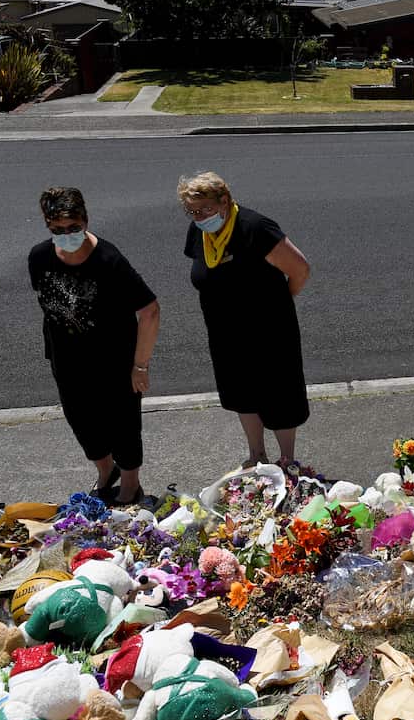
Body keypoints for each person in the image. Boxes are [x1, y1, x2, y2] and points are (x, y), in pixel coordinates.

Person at [29, 187, 160, 505]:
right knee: (82, 421)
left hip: (114, 359)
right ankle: (106, 470)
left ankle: (130, 484)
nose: (66, 235)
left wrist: (140, 365)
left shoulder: (108, 260)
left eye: (73, 228)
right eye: (58, 230)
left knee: (123, 424)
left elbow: (150, 310)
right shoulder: (39, 257)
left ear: (85, 221)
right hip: (68, 359)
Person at [178, 171, 312, 470]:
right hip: (225, 331)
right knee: (241, 393)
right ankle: (256, 456)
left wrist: (279, 304)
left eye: (205, 209)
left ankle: (287, 460)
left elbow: (300, 269)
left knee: (279, 395)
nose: (199, 217)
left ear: (224, 201)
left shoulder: (254, 228)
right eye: (192, 211)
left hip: (269, 330)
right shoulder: (199, 231)